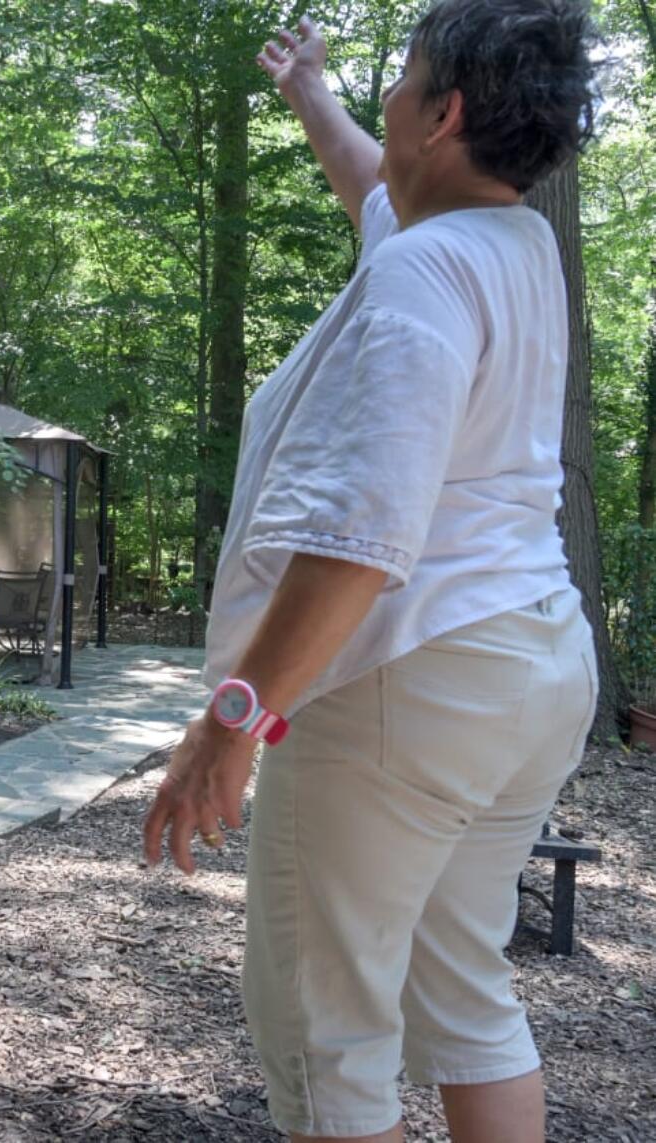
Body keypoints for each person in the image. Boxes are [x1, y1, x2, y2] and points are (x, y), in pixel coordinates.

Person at [141, 2, 599, 1141]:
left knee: (323, 1025)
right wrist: (309, 88)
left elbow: (360, 539)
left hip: (412, 678)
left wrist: (230, 720)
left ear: (441, 114)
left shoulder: (421, 277)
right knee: (462, 988)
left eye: (401, 80)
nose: (386, 99)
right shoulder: (510, 244)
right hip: (532, 663)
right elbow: (378, 189)